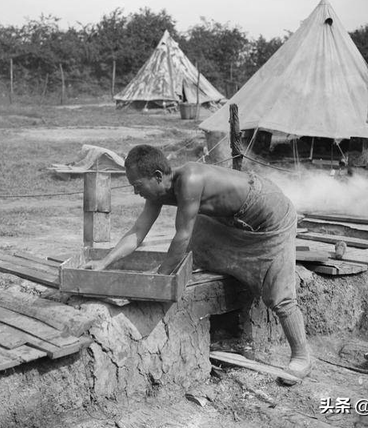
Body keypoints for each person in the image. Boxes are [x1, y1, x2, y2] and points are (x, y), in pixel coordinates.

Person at [83, 144, 311, 382]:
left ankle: (301, 356)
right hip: (233, 219)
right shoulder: (157, 193)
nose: (135, 192)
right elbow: (137, 233)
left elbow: (181, 236)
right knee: (195, 242)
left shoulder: (189, 179)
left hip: (270, 216)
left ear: (158, 177)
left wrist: (158, 280)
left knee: (279, 295)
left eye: (137, 186)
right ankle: (203, 271)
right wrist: (103, 262)